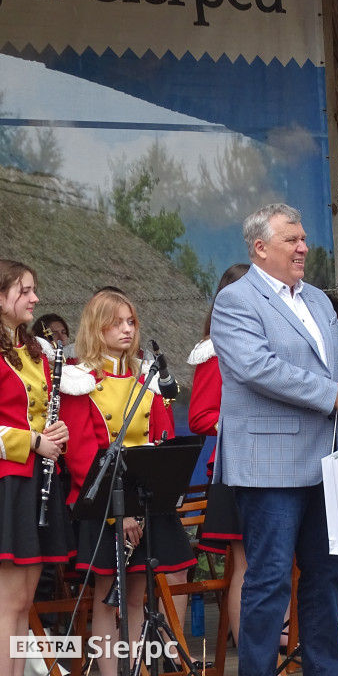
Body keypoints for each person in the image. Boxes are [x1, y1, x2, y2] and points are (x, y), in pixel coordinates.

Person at [210, 203, 338, 676]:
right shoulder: (236, 300)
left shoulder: (318, 299)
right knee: (269, 583)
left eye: (303, 238)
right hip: (270, 465)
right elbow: (258, 368)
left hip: (328, 462)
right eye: (291, 240)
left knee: (325, 579)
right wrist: (333, 395)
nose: (303, 247)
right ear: (260, 248)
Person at [61, 288, 190, 676]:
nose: (126, 329)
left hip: (147, 501)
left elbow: (162, 441)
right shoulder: (80, 381)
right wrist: (122, 513)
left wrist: (153, 499)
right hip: (105, 505)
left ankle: (138, 668)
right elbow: (82, 457)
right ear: (95, 327)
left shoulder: (147, 378)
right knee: (106, 598)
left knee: (137, 595)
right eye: (116, 322)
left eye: (130, 321)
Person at [0, 260, 73, 676]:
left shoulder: (34, 353)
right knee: (8, 603)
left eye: (34, 289)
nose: (35, 298)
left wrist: (54, 433)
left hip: (34, 481)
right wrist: (31, 440)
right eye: (24, 290)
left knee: (25, 602)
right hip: (8, 482)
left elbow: (38, 416)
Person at [187, 263, 250, 647]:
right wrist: (246, 423)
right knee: (248, 564)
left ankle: (283, 636)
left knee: (281, 562)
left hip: (283, 464)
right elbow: (200, 417)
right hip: (237, 467)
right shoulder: (214, 351)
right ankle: (253, 651)